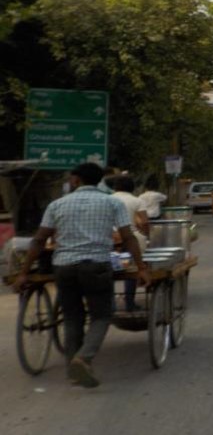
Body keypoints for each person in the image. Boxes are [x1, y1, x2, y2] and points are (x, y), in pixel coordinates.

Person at [13, 163, 151, 389]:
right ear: (98, 181)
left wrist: (24, 272)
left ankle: (73, 369)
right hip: (97, 265)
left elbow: (39, 240)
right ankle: (83, 358)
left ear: (75, 180)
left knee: (72, 317)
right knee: (102, 315)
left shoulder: (57, 204)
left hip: (63, 267)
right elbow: (128, 237)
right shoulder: (111, 203)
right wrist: (141, 268)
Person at [107, 175, 149, 311]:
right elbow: (144, 222)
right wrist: (147, 235)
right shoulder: (137, 201)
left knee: (109, 269)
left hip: (109, 237)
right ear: (132, 188)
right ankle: (129, 303)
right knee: (132, 269)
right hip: (131, 236)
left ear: (115, 187)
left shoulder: (107, 199)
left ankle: (111, 305)